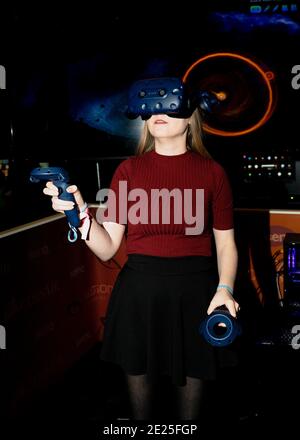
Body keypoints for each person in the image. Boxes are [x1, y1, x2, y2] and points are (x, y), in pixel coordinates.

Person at [43, 98, 239, 421]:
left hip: (195, 297)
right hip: (138, 295)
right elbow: (107, 248)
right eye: (151, 106)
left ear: (191, 119)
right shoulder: (128, 171)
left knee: (191, 409)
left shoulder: (213, 173)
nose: (157, 112)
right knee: (140, 411)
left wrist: (226, 288)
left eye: (169, 103)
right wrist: (80, 215)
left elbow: (226, 245)